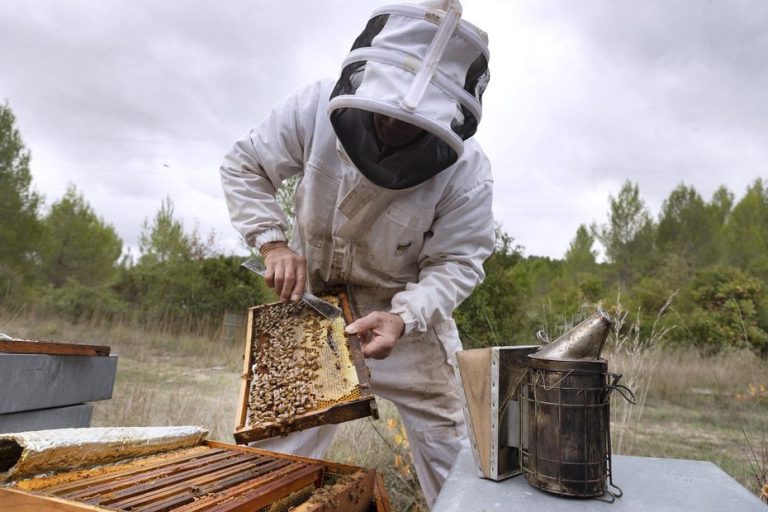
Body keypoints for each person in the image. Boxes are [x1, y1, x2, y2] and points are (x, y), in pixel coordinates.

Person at [220, 0, 494, 506]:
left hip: (405, 321)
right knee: (282, 461)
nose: (391, 131)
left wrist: (404, 316)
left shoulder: (467, 171)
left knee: (456, 467)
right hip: (312, 311)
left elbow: (458, 262)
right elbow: (245, 165)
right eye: (383, 118)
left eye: (409, 128)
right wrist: (274, 243)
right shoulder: (313, 108)